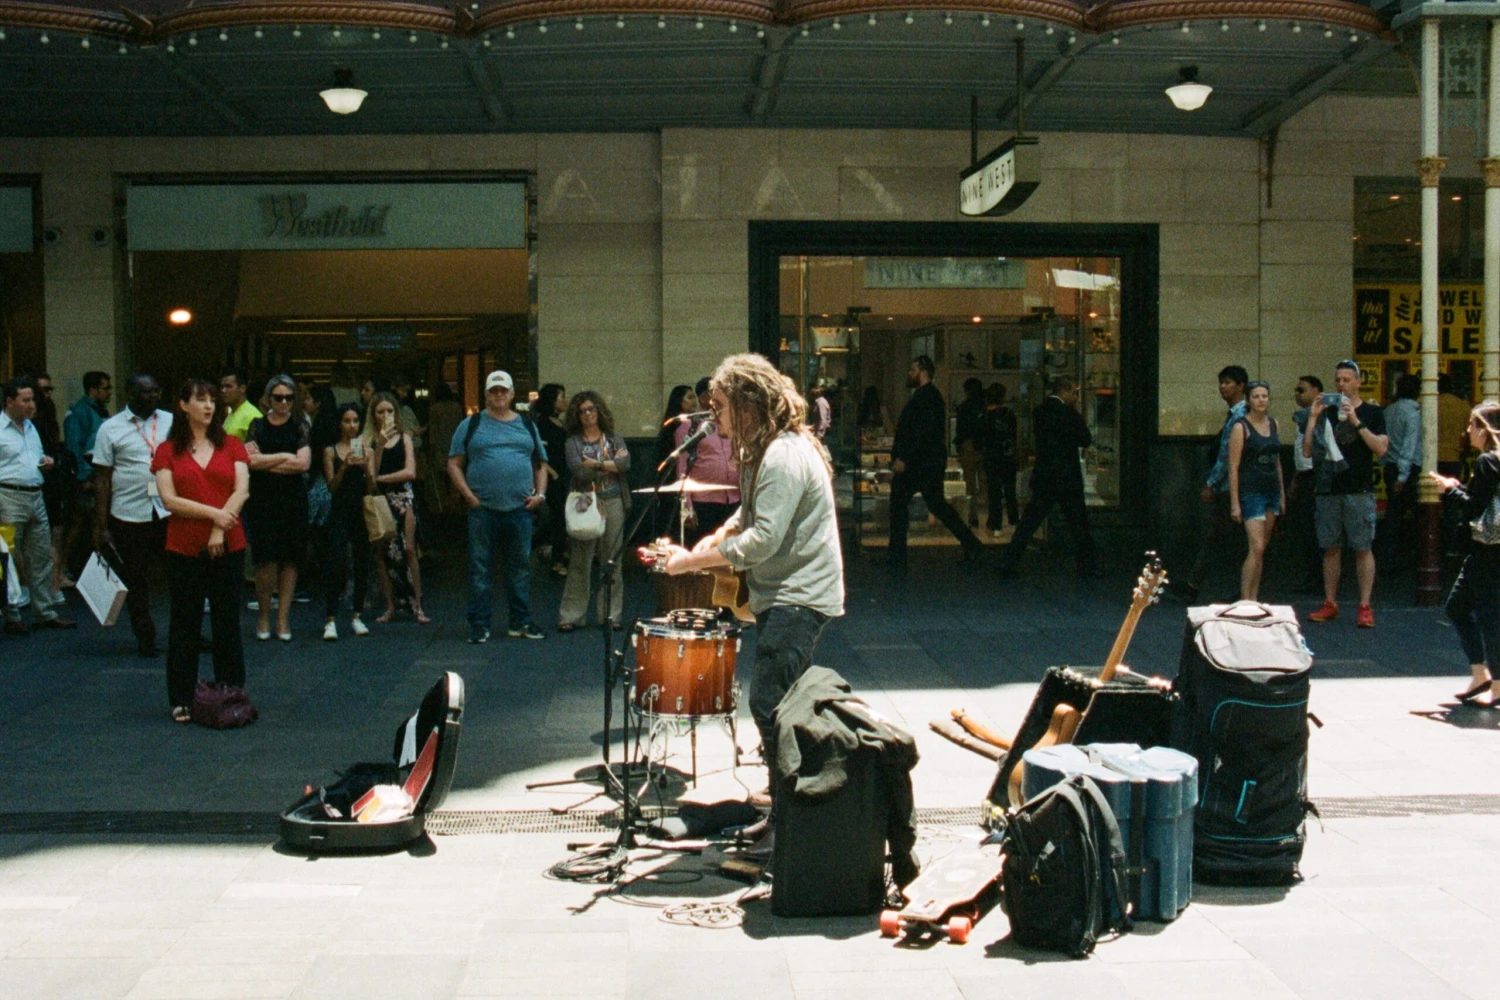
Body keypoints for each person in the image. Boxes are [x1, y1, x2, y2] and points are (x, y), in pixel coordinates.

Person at [659, 352, 844, 858]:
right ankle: (783, 813)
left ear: (747, 403)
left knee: (770, 704)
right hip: (785, 594)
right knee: (777, 704)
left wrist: (689, 565)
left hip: (799, 597)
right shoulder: (771, 451)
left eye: (718, 405)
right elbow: (752, 513)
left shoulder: (784, 453)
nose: (712, 416)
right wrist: (721, 532)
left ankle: (792, 822)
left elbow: (763, 539)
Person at [151, 378, 249, 724]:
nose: (209, 406)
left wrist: (219, 528)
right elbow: (169, 499)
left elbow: (241, 490)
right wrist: (215, 516)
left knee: (227, 621)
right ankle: (181, 697)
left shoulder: (232, 444)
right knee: (185, 622)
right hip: (184, 546)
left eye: (212, 401)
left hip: (229, 544)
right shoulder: (168, 450)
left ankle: (231, 690)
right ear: (183, 405)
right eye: (201, 400)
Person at [448, 371, 547, 643]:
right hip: (482, 509)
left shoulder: (527, 425)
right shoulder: (471, 424)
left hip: (520, 509)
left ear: (512, 394)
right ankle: (479, 624)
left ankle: (521, 621)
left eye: (504, 390)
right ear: (486, 394)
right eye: (494, 391)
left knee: (521, 568)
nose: (499, 395)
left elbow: (540, 464)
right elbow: (454, 463)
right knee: (480, 569)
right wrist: (469, 497)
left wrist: (541, 495)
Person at [92, 374, 172, 657]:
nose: (153, 397)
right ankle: (145, 634)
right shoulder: (110, 429)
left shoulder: (171, 422)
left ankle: (188, 634)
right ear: (130, 394)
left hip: (168, 511)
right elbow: (102, 478)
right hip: (128, 514)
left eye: (156, 391)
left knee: (179, 574)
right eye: (146, 392)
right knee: (135, 577)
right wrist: (101, 525)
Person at [1305, 360, 1389, 628]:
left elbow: (1381, 449)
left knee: (1363, 547)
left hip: (1359, 489)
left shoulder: (1374, 413)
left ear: (1358, 381)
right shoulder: (1326, 412)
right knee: (1331, 548)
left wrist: (1355, 419)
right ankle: (1330, 602)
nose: (1341, 384)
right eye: (1338, 379)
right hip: (1329, 489)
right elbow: (1307, 451)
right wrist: (1314, 417)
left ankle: (1365, 605)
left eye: (1347, 379)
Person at [1431, 402, 1500, 707]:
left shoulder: (1487, 462)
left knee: (1486, 615)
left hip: (1487, 549)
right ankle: (1481, 675)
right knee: (1462, 607)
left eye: (1472, 425)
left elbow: (1473, 508)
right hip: (1489, 549)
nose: (1467, 431)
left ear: (1485, 429)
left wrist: (1450, 488)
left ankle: (1494, 684)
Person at [997, 375, 1097, 579]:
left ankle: (1010, 561)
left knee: (1030, 522)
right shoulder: (1069, 413)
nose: (1076, 397)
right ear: (1065, 391)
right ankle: (1088, 566)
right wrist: (1077, 417)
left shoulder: (1040, 412)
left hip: (1046, 475)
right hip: (1067, 476)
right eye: (1074, 393)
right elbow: (1085, 439)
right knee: (1078, 524)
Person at [888, 355, 982, 570]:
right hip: (926, 462)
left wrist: (903, 457)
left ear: (922, 371)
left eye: (912, 369)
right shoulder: (931, 397)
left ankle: (897, 555)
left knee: (900, 501)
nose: (909, 373)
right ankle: (970, 543)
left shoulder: (924, 398)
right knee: (936, 504)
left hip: (919, 463)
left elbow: (920, 433)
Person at [0, 377, 73, 633]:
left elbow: (28, 459)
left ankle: (44, 611)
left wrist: (45, 462)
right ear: (10, 401)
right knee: (6, 557)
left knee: (40, 555)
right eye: (26, 400)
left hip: (35, 494)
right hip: (7, 497)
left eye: (32, 400)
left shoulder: (32, 427)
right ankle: (10, 614)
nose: (31, 405)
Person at [242, 375, 311, 641]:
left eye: (289, 398)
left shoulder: (300, 426)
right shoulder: (257, 425)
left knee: (290, 559)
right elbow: (249, 461)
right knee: (265, 560)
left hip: (293, 501)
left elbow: (303, 464)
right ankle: (263, 615)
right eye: (278, 397)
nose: (283, 402)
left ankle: (283, 618)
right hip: (263, 500)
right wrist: (284, 456)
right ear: (268, 399)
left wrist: (266, 462)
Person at [559, 391, 632, 631]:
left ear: (599, 411)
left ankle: (611, 615)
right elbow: (579, 472)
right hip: (586, 503)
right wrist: (609, 466)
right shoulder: (573, 442)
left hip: (613, 503)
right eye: (582, 411)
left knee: (613, 562)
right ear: (576, 416)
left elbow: (625, 465)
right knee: (580, 560)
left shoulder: (613, 438)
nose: (588, 414)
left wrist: (596, 464)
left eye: (592, 409)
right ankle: (570, 615)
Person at [1181, 365, 1248, 602]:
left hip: (1230, 486)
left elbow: (1226, 454)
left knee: (1223, 538)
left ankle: (1196, 584)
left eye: (1228, 382)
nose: (1223, 387)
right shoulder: (1236, 414)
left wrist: (1211, 483)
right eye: (1221, 382)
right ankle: (1195, 583)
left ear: (1241, 386)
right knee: (1222, 538)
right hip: (1231, 485)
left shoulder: (1239, 416)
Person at [366, 391, 429, 626]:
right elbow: (369, 478)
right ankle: (391, 605)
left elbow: (410, 472)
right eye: (380, 411)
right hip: (381, 501)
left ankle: (417, 604)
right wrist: (380, 447)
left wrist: (381, 478)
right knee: (383, 554)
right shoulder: (369, 440)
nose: (385, 416)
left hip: (403, 498)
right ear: (373, 414)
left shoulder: (405, 438)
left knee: (409, 548)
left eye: (390, 411)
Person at [1227, 381, 1284, 602]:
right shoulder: (1241, 427)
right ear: (1249, 400)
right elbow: (1233, 466)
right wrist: (1235, 501)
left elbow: (1277, 461)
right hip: (1251, 492)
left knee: (1261, 549)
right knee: (1256, 545)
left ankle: (1254, 597)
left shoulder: (1274, 424)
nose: (1261, 400)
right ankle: (1245, 598)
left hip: (1271, 490)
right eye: (1257, 396)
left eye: (1265, 396)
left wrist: (1282, 494)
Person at [320, 403, 371, 641]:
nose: (352, 425)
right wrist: (345, 467)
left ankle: (357, 614)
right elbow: (331, 487)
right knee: (336, 563)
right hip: (339, 511)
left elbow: (372, 487)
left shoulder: (366, 449)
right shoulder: (330, 451)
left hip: (360, 510)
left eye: (355, 421)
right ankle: (330, 618)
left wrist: (366, 469)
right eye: (347, 421)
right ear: (340, 424)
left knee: (362, 562)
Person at [61, 370, 111, 589]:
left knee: (96, 523)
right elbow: (73, 446)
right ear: (93, 389)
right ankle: (62, 567)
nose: (109, 392)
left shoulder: (100, 411)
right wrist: (82, 478)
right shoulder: (79, 412)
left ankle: (95, 571)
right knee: (78, 524)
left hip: (98, 471)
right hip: (86, 472)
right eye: (105, 388)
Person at [31, 372, 74, 592]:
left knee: (58, 528)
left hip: (52, 478)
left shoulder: (47, 414)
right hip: (35, 483)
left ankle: (55, 577)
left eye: (49, 390)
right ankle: (46, 580)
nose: (47, 395)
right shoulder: (30, 421)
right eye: (43, 390)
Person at [1377, 373, 1422, 573]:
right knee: (1413, 513)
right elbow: (1410, 445)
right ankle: (1406, 558)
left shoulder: (1389, 411)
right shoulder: (1413, 413)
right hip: (1407, 468)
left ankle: (1389, 557)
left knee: (1393, 514)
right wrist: (1403, 476)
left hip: (1390, 465)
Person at [1288, 375, 1325, 593]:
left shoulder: (1319, 416)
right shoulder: (1304, 417)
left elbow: (1320, 449)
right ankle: (1312, 575)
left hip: (1315, 475)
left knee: (1314, 530)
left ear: (1316, 391)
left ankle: (1317, 577)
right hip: (1304, 475)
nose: (1297, 394)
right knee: (1305, 529)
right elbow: (1300, 453)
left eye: (1302, 390)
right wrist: (1296, 478)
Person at [679, 416, 740, 544]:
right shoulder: (691, 426)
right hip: (704, 501)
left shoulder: (732, 423)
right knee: (705, 546)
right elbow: (682, 466)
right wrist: (687, 506)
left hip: (734, 499)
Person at [533, 383, 570, 576]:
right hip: (552, 478)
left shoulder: (560, 423)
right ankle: (556, 559)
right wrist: (552, 473)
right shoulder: (542, 424)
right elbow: (538, 453)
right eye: (561, 397)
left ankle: (558, 553)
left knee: (561, 518)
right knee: (557, 518)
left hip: (564, 475)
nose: (564, 401)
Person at [654, 384, 698, 536]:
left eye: (695, 398)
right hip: (676, 485)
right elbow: (681, 462)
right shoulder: (680, 426)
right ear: (679, 401)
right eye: (690, 397)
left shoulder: (689, 424)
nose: (695, 402)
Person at [979, 383, 1019, 535]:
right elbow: (1013, 436)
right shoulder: (1008, 414)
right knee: (1010, 491)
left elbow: (981, 438)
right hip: (1007, 457)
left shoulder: (984, 415)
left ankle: (996, 525)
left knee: (994, 493)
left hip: (991, 458)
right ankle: (1014, 520)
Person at [953, 377, 987, 529]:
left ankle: (972, 517)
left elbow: (960, 430)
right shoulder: (985, 407)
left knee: (969, 485)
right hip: (985, 446)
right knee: (986, 482)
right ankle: (992, 516)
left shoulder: (963, 408)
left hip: (968, 446)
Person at [1438, 373, 1470, 477]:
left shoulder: (1427, 404)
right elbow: (1469, 433)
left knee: (1429, 492)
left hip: (1430, 458)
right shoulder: (1462, 405)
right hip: (1454, 457)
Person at [219, 369, 262, 442]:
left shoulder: (253, 416)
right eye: (222, 387)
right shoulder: (231, 413)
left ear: (242, 388)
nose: (223, 390)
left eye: (228, 386)